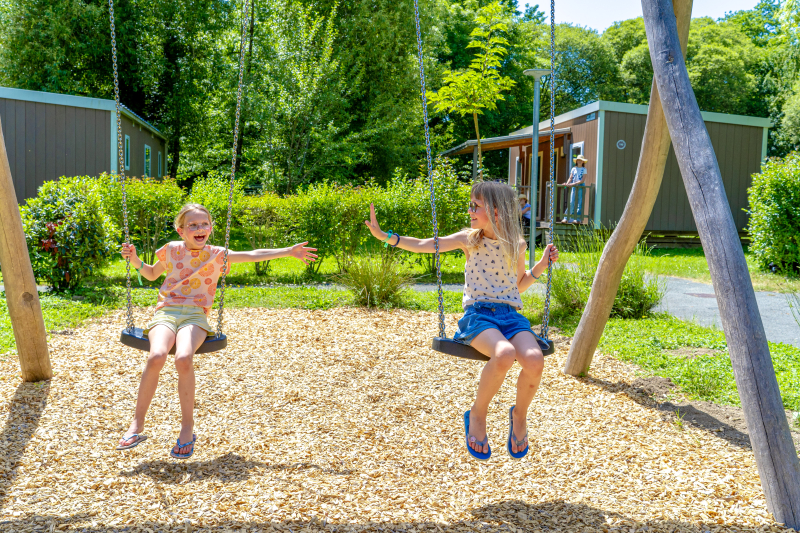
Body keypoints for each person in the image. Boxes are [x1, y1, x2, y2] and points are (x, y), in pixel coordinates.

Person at [365, 181, 559, 460]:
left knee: (534, 359)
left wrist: (540, 266)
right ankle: (478, 414)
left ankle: (519, 415)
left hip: (511, 317)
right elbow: (422, 245)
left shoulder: (516, 244)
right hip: (479, 316)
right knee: (504, 353)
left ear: (496, 211)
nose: (470, 211)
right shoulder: (469, 239)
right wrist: (385, 236)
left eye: (475, 206)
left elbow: (518, 284)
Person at [117, 203, 317, 459]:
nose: (199, 228)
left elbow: (253, 254)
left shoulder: (217, 254)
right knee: (156, 356)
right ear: (181, 230)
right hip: (166, 312)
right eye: (193, 225)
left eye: (204, 224)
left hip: (195, 315)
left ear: (210, 228)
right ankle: (137, 424)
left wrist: (288, 251)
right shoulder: (171, 250)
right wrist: (134, 260)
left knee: (183, 358)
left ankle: (187, 428)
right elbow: (152, 273)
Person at [562, 155, 588, 223]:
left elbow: (582, 180)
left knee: (580, 203)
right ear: (576, 161)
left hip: (581, 186)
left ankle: (577, 219)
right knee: (571, 202)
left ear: (583, 162)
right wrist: (567, 183)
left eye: (580, 160)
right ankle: (566, 218)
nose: (579, 161)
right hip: (574, 186)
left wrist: (573, 184)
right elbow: (570, 178)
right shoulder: (573, 169)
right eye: (578, 160)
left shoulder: (584, 169)